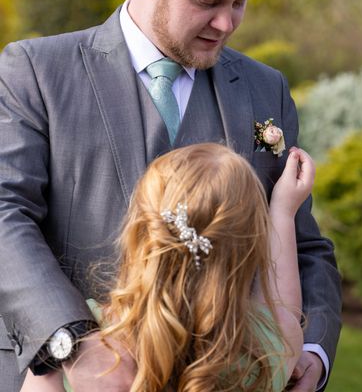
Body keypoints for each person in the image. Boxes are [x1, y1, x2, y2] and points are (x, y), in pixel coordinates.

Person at [0, 0, 341, 390]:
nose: (226, 23)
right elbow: (5, 213)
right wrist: (71, 344)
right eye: (207, 1)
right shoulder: (36, 71)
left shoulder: (266, 90)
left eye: (241, 3)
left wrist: (312, 350)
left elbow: (303, 243)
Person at [19, 143, 313, 391]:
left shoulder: (84, 344)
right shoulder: (266, 348)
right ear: (250, 247)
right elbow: (284, 306)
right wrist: (283, 213)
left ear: (137, 232)